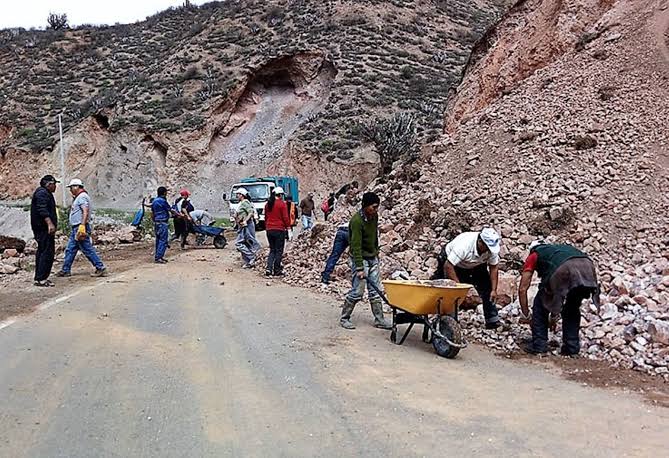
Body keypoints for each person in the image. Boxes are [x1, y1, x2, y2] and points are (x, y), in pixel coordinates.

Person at [518, 241, 600, 356]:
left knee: (540, 304)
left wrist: (526, 314)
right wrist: (553, 317)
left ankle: (539, 345)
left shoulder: (534, 254)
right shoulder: (557, 250)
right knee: (572, 307)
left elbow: (522, 288)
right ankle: (571, 348)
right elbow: (556, 296)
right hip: (587, 268)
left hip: (564, 269)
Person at [340, 192, 392, 330]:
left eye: (377, 207)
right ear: (365, 206)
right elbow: (355, 245)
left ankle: (379, 319)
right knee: (358, 291)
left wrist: (376, 251)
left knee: (375, 291)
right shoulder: (356, 221)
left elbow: (374, 235)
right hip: (360, 258)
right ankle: (344, 318)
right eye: (373, 207)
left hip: (372, 256)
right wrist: (359, 268)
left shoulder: (374, 216)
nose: (375, 210)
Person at [432, 229, 502, 329]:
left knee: (487, 288)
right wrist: (459, 288)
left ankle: (492, 320)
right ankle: (450, 323)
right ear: (480, 242)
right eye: (486, 248)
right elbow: (448, 266)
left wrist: (494, 290)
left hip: (476, 264)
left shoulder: (491, 250)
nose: (488, 251)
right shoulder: (464, 246)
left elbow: (494, 267)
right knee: (451, 293)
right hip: (452, 263)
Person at [56, 178, 107, 278]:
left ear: (76, 187)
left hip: (79, 227)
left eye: (71, 187)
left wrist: (82, 226)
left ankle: (100, 267)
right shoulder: (79, 197)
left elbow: (85, 211)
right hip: (77, 227)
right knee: (71, 249)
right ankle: (65, 269)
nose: (70, 190)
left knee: (87, 248)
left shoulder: (82, 197)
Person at [30, 174, 59, 287]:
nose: (55, 187)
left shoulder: (44, 193)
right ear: (49, 184)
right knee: (46, 252)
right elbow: (42, 210)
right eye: (54, 184)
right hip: (43, 229)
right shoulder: (42, 193)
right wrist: (50, 224)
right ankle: (41, 278)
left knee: (43, 250)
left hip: (42, 228)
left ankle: (40, 277)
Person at [264, 187, 291, 276]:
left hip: (269, 229)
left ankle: (269, 268)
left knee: (272, 250)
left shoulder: (267, 204)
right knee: (279, 250)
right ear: (280, 195)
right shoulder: (282, 204)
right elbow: (285, 217)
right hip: (279, 229)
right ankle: (277, 270)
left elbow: (266, 218)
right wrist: (289, 228)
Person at [234, 188, 261, 268]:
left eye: (238, 194)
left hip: (247, 225)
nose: (237, 196)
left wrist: (245, 220)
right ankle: (248, 262)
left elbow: (250, 212)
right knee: (245, 242)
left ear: (242, 195)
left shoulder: (245, 202)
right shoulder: (241, 203)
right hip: (242, 226)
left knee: (240, 243)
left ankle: (252, 256)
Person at [151, 186, 173, 264]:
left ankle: (158, 256)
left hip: (156, 222)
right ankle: (159, 257)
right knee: (163, 240)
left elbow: (152, 213)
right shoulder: (163, 201)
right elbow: (170, 209)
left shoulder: (154, 201)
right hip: (163, 222)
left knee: (158, 240)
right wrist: (178, 214)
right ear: (164, 193)